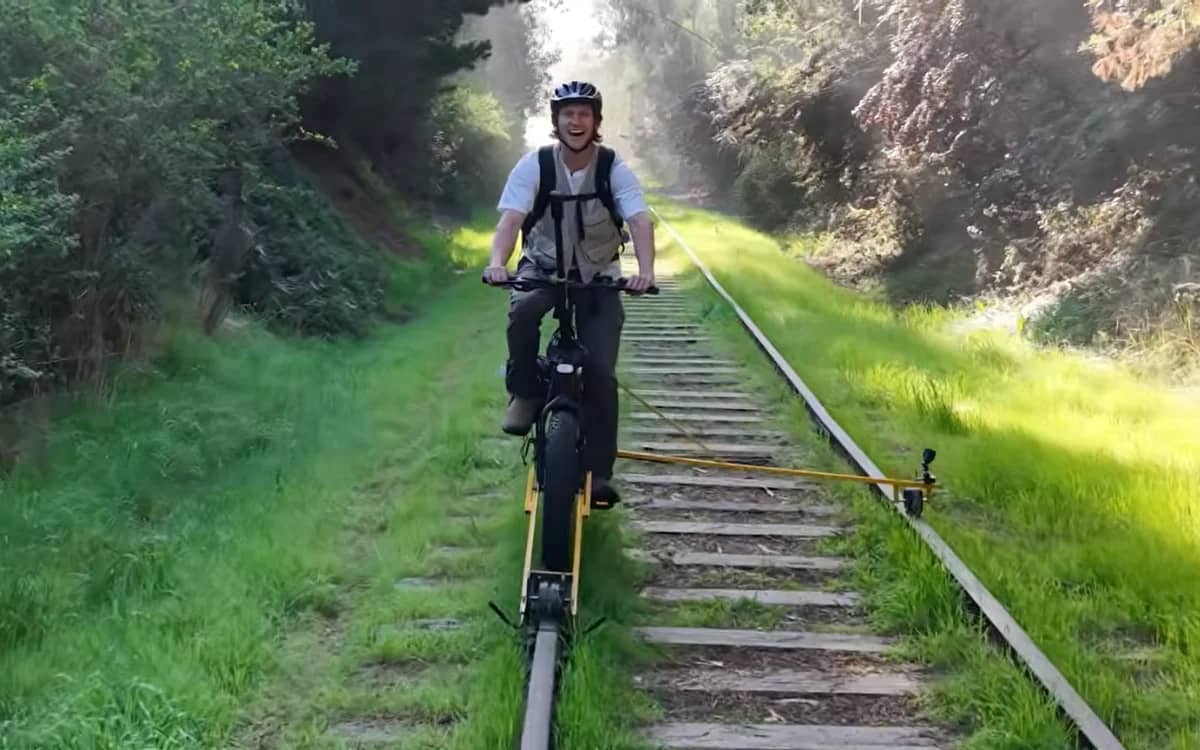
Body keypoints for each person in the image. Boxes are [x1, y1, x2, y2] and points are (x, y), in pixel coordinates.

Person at [482, 80, 656, 506]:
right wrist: (497, 263)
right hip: (542, 268)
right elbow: (510, 221)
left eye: (583, 114)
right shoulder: (534, 166)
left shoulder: (613, 168)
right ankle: (524, 390)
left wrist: (645, 272)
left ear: (595, 121)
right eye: (567, 114)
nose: (575, 122)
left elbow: (639, 220)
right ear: (556, 122)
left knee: (600, 373)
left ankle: (598, 474)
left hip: (598, 276)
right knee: (522, 312)